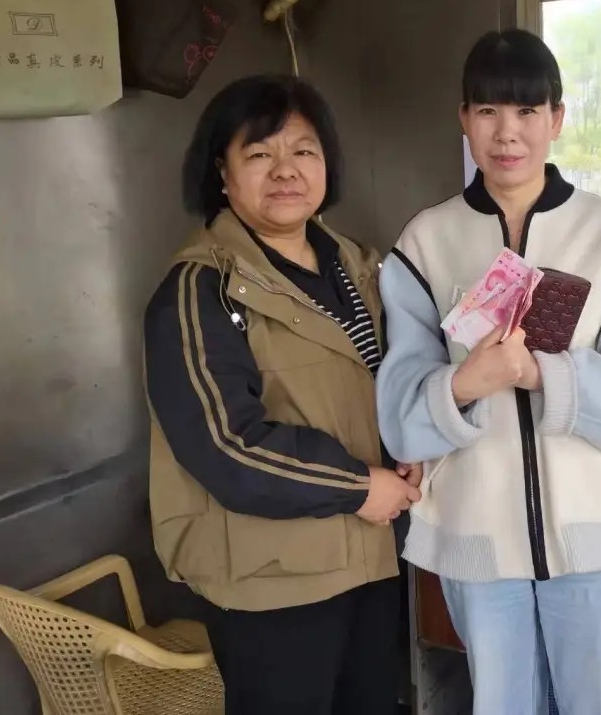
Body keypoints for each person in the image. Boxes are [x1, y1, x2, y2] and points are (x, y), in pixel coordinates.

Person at [376, 28, 601, 715]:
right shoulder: (424, 243)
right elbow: (399, 410)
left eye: (526, 110)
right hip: (478, 540)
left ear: (556, 119)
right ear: (464, 120)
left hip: (598, 540)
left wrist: (545, 376)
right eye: (488, 111)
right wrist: (467, 383)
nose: (507, 133)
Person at [143, 74, 421, 715]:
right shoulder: (200, 291)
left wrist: (411, 449)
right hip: (272, 582)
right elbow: (227, 447)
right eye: (259, 153)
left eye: (303, 150)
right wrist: (359, 485)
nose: (285, 170)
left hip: (372, 556)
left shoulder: (357, 266)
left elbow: (384, 382)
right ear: (222, 172)